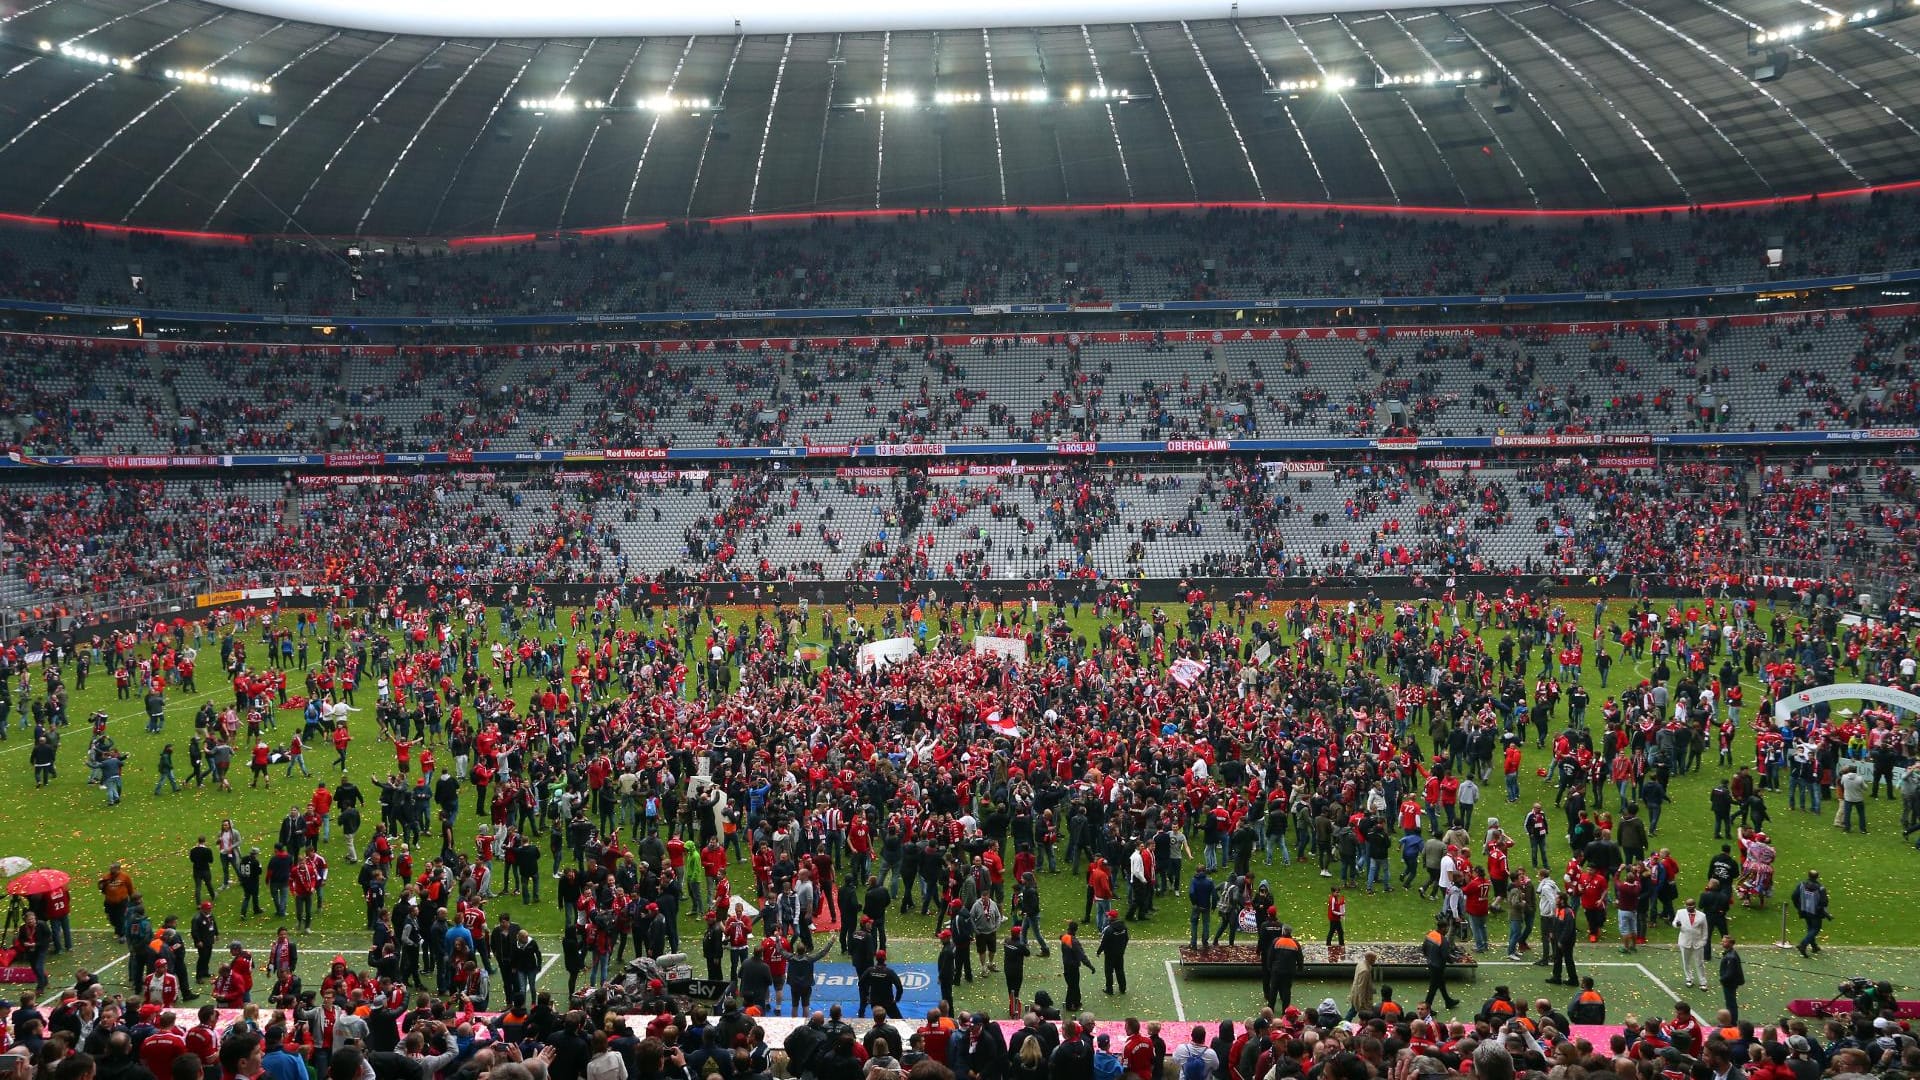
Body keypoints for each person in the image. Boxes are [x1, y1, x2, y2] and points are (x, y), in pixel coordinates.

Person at [1419, 916, 1460, 1010]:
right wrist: (1452, 961)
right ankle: (1427, 1009)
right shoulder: (1443, 940)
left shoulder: (1430, 934)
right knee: (1433, 988)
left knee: (1441, 983)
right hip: (1438, 966)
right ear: (1443, 928)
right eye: (1447, 928)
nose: (1447, 930)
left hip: (1431, 963)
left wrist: (1428, 957)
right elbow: (1445, 955)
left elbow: (1424, 947)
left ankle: (1448, 1001)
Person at [1673, 897, 1710, 989]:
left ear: (1695, 906)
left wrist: (1703, 941)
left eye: (1691, 906)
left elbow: (1705, 930)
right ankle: (1689, 978)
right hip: (1684, 941)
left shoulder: (1702, 916)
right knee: (1686, 962)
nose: (1689, 908)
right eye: (1687, 906)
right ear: (1685, 905)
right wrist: (1677, 924)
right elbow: (1674, 923)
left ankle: (1703, 981)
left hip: (1698, 942)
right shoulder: (1680, 912)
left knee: (1700, 963)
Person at [1790, 870, 1829, 956]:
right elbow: (1824, 902)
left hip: (1804, 910)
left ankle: (1814, 946)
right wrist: (1824, 912)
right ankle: (1803, 944)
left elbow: (1794, 896)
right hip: (1815, 912)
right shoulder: (1820, 888)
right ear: (1817, 877)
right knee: (1815, 929)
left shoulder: (1802, 885)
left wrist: (1798, 906)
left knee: (1810, 927)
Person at [1058, 921, 1093, 1013]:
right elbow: (1082, 956)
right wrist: (1090, 966)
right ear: (1076, 930)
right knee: (1073, 985)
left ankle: (1076, 1002)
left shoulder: (1065, 937)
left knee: (1072, 985)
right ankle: (1070, 1005)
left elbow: (1061, 937)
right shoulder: (1074, 941)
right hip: (1073, 966)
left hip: (1067, 965)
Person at [1097, 915, 1129, 995]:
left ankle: (1109, 989)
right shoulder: (1124, 928)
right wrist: (1123, 949)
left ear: (1111, 919)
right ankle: (1123, 988)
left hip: (1110, 955)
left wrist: (1099, 952)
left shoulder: (1109, 930)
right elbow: (1126, 939)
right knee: (1120, 971)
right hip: (1120, 953)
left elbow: (1104, 943)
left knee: (1108, 972)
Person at [1718, 935, 1745, 1022]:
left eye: (1725, 941)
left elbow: (1730, 972)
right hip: (1730, 982)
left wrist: (1722, 979)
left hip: (1729, 983)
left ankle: (1732, 1021)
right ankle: (1732, 1020)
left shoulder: (1731, 957)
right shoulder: (1730, 953)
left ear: (1730, 944)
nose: (1722, 943)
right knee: (1730, 1002)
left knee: (1731, 1003)